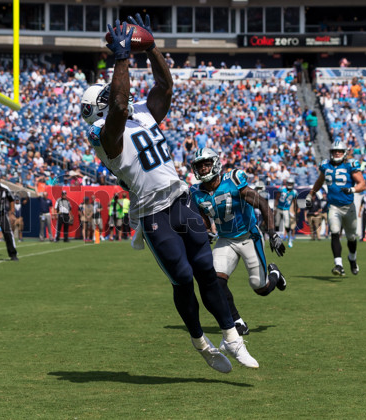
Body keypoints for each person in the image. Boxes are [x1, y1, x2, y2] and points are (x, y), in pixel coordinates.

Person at [80, 14, 258, 373]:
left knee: (206, 271)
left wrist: (152, 49)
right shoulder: (101, 134)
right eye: (115, 94)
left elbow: (164, 88)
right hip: (152, 212)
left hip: (180, 199)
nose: (125, 95)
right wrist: (121, 58)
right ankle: (200, 342)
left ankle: (233, 338)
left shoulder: (139, 116)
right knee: (183, 277)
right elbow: (117, 105)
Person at [190, 148, 287, 337]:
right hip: (226, 239)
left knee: (261, 288)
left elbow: (262, 203)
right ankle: (237, 321)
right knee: (215, 281)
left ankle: (274, 273)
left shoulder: (233, 180)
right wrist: (206, 232)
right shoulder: (196, 192)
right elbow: (204, 220)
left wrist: (273, 234)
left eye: (206, 164)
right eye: (199, 165)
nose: (202, 168)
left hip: (248, 236)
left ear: (215, 164)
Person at [306, 140, 366, 276]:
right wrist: (311, 194)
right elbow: (319, 181)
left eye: (339, 151)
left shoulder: (350, 165)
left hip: (348, 206)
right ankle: (338, 264)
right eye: (334, 151)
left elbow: (362, 184)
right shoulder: (325, 166)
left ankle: (352, 258)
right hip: (333, 206)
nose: (337, 153)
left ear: (344, 152)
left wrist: (352, 189)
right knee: (334, 231)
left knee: (351, 237)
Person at [274, 178, 299, 248]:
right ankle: (277, 240)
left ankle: (289, 240)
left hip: (286, 210)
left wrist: (295, 211)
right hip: (279, 208)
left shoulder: (294, 192)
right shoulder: (282, 189)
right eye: (289, 183)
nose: (290, 185)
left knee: (287, 225)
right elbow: (277, 198)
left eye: (291, 184)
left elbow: (295, 202)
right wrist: (275, 208)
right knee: (277, 224)